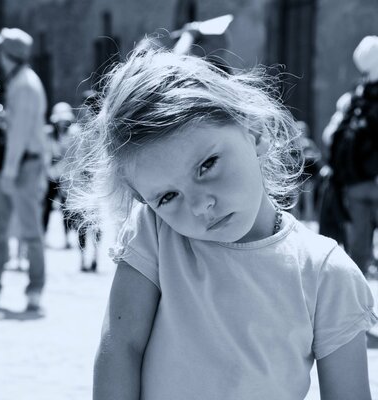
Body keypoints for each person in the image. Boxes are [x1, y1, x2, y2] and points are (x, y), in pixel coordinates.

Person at [64, 45, 377, 399]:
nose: (200, 206)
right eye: (167, 197)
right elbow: (122, 348)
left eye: (207, 165)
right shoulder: (156, 233)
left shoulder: (326, 273)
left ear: (255, 132)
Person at [0, 28, 47, 311]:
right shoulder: (19, 81)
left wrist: (9, 172)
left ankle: (30, 288)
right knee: (5, 230)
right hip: (18, 163)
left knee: (28, 232)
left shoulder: (23, 85)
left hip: (21, 166)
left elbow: (19, 134)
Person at [328, 36, 378, 277]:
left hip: (354, 182)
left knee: (358, 250)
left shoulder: (352, 99)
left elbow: (330, 137)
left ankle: (359, 295)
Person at [43, 102, 77, 248]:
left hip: (66, 176)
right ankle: (43, 236)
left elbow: (72, 156)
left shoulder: (73, 134)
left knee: (66, 208)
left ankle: (67, 237)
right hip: (50, 175)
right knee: (46, 207)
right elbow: (46, 154)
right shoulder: (48, 134)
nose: (62, 123)